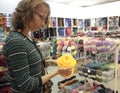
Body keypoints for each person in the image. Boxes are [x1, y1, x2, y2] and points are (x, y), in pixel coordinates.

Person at [2, 0, 72, 93]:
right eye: (41, 17)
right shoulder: (16, 42)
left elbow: (33, 63)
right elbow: (26, 85)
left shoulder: (26, 37)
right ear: (27, 12)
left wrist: (53, 62)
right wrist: (57, 72)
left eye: (45, 19)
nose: (43, 23)